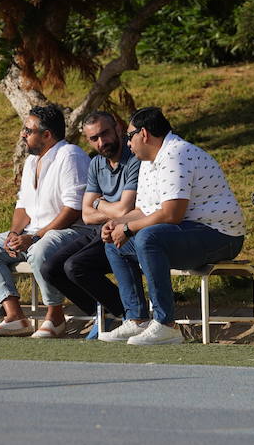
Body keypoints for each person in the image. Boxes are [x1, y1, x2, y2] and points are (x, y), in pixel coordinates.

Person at [99, 106, 245, 346]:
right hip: (187, 233)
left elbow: (171, 214)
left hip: (221, 235)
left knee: (148, 237)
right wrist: (117, 223)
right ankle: (137, 320)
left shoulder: (177, 154)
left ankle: (166, 325)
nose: (127, 143)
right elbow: (144, 211)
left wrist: (129, 229)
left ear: (143, 134)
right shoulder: (149, 160)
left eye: (129, 136)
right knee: (115, 244)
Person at [0, 104, 90, 337]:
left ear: (46, 135)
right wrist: (14, 233)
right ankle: (15, 316)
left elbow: (74, 209)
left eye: (28, 130)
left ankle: (56, 316)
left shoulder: (70, 155)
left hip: (70, 231)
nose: (22, 134)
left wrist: (35, 236)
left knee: (39, 251)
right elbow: (23, 205)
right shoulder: (31, 161)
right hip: (34, 232)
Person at [38, 111, 138, 334]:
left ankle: (130, 314)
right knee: (50, 268)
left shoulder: (134, 160)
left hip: (126, 232)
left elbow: (125, 209)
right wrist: (102, 208)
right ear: (88, 140)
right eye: (94, 138)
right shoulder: (95, 164)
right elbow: (86, 215)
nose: (102, 142)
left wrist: (99, 204)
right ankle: (104, 312)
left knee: (75, 266)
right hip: (100, 231)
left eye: (105, 134)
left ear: (118, 129)